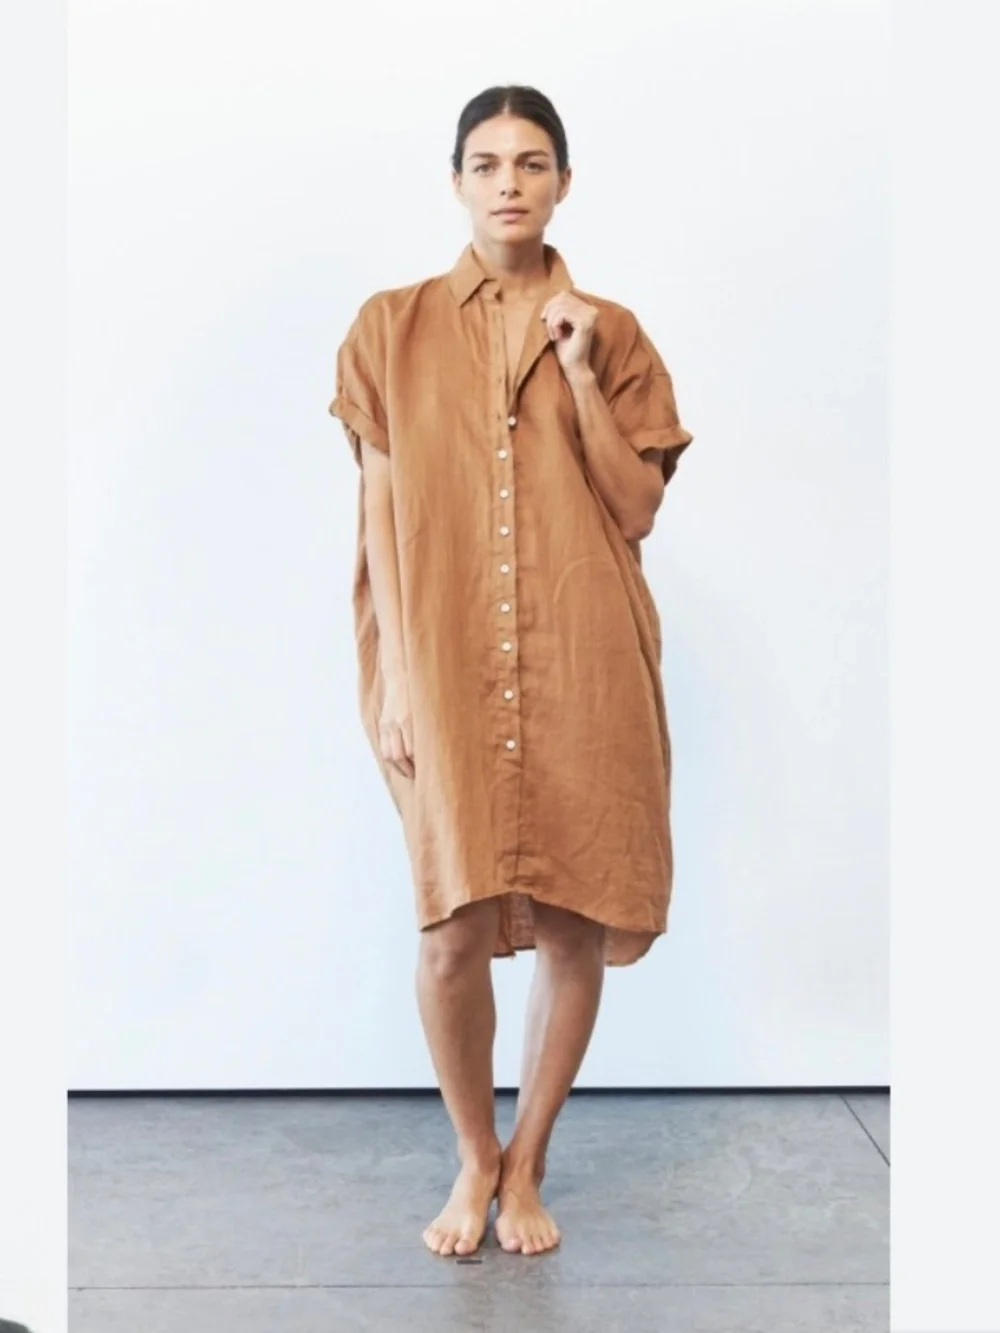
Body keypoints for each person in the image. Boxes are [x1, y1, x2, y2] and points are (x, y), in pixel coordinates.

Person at [328, 85, 694, 1260]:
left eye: (531, 163)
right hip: (438, 655)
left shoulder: (613, 331)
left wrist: (579, 373)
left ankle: (527, 1160)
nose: (508, 184)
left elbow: (634, 510)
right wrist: (395, 680)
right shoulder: (388, 329)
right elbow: (380, 512)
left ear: (563, 183)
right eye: (485, 164)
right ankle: (473, 1153)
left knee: (575, 923)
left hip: (585, 653)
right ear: (456, 181)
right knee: (449, 924)